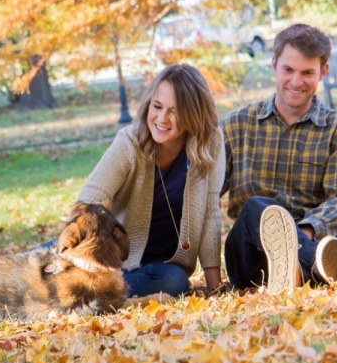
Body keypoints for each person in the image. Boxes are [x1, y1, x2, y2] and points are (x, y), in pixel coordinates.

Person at [220, 23, 337, 294]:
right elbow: (204, 192)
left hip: (314, 237)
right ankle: (316, 267)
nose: (296, 82)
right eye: (288, 70)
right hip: (250, 254)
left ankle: (300, 270)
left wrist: (303, 232)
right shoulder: (235, 125)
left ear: (323, 72)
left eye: (307, 72)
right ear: (274, 64)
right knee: (257, 206)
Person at [76, 64, 225, 297]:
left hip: (163, 268)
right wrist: (95, 258)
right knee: (39, 264)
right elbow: (88, 202)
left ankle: (88, 295)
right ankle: (83, 290)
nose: (162, 118)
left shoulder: (211, 142)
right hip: (114, 260)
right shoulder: (129, 142)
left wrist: (215, 288)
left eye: (174, 111)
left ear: (193, 114)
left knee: (174, 282)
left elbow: (210, 215)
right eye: (157, 106)